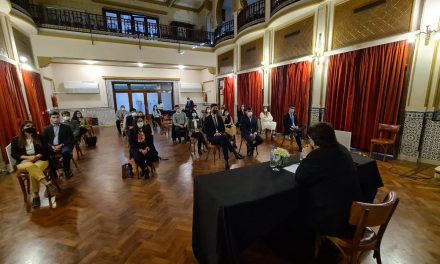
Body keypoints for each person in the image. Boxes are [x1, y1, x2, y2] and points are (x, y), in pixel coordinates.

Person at [294, 122, 362, 238]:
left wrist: (307, 156)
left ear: (317, 140)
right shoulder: (343, 149)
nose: (309, 142)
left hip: (334, 219)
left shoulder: (318, 155)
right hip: (354, 212)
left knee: (299, 207)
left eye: (310, 139)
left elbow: (299, 177)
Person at [11, 121, 58, 208]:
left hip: (40, 159)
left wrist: (38, 155)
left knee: (33, 169)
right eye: (28, 126)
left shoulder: (40, 137)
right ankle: (47, 184)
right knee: (32, 167)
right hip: (24, 162)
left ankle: (36, 196)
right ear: (22, 129)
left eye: (32, 126)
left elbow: (48, 150)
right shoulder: (15, 140)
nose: (31, 127)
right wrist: (27, 158)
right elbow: (14, 154)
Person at [42, 110, 74, 178]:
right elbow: (45, 141)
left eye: (57, 117)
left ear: (59, 118)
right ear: (50, 118)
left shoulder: (66, 127)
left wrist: (61, 145)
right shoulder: (46, 129)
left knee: (66, 152)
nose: (56, 119)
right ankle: (55, 171)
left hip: (64, 145)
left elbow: (70, 139)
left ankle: (66, 170)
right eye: (53, 117)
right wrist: (52, 147)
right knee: (45, 153)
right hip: (52, 146)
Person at [129, 114, 158, 179]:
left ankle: (145, 167)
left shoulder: (147, 128)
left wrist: (147, 148)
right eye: (138, 122)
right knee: (138, 158)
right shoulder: (131, 131)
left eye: (141, 121)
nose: (140, 123)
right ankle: (145, 169)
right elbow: (132, 144)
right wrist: (141, 150)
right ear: (135, 123)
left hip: (147, 146)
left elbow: (150, 140)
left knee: (152, 156)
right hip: (137, 148)